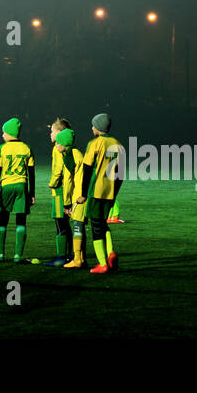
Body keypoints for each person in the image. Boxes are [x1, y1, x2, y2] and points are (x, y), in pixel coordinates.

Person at [76, 112, 123, 274]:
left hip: (96, 190)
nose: (92, 128)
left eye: (93, 125)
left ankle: (102, 263)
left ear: (97, 128)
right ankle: (111, 253)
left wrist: (83, 193)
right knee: (103, 224)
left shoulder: (95, 143)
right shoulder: (119, 144)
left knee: (96, 227)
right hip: (110, 192)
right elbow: (121, 174)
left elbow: (87, 169)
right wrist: (115, 192)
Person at [0, 118, 34, 264]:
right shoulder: (26, 148)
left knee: (3, 219)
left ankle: (0, 254)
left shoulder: (1, 148)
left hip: (6, 186)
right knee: (21, 220)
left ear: (10, 133)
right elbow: (31, 173)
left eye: (4, 132)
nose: (2, 135)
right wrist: (32, 193)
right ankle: (17, 256)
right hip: (22, 186)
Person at [44, 120, 79, 267]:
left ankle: (62, 256)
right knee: (64, 224)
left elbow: (58, 170)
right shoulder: (69, 149)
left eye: (52, 131)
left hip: (59, 191)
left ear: (59, 133)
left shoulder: (57, 149)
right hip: (66, 191)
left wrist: (52, 183)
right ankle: (68, 255)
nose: (50, 134)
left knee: (60, 224)